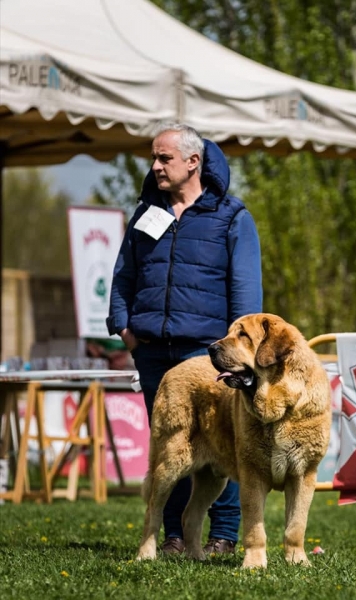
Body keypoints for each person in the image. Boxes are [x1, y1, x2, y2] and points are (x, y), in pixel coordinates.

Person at [107, 123, 262, 555]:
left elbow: (247, 294)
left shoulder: (231, 216)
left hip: (209, 354)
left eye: (164, 158)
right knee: (171, 447)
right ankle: (174, 534)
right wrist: (124, 327)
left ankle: (224, 535)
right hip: (153, 351)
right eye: (154, 158)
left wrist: (238, 354)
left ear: (194, 162)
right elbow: (123, 276)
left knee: (224, 443)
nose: (155, 166)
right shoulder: (145, 215)